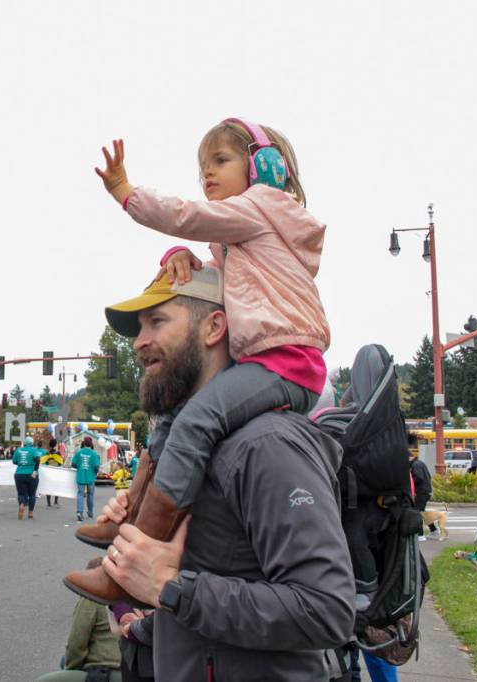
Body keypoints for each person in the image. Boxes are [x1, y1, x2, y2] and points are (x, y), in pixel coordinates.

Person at [75, 119, 329, 604]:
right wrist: (179, 256)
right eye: (202, 168)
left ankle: (135, 556)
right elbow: (223, 280)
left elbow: (186, 215)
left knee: (194, 421)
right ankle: (131, 527)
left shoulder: (260, 207)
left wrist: (127, 193)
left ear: (264, 168)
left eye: (220, 160)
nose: (207, 175)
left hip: (286, 361)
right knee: (171, 423)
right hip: (271, 359)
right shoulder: (249, 239)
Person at [65, 264, 354, 678]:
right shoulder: (193, 447)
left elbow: (327, 610)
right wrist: (146, 618)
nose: (138, 342)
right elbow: (218, 581)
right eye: (139, 327)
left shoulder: (267, 445)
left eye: (157, 322)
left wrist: (172, 588)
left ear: (215, 326)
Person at [36, 557, 122, 682]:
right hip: (132, 671)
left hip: (106, 672)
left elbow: (76, 643)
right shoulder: (129, 597)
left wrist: (71, 669)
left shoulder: (91, 599)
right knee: (64, 661)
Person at [409, 449, 437, 540]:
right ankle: (433, 530)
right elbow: (428, 476)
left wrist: (410, 484)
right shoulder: (420, 463)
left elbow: (418, 478)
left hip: (421, 492)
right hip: (425, 490)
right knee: (422, 512)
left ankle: (420, 535)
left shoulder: (415, 465)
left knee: (418, 512)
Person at [72, 437, 101, 523]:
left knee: (80, 494)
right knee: (90, 495)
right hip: (91, 477)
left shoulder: (78, 453)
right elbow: (96, 466)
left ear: (83, 443)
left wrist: (80, 466)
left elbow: (73, 464)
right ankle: (90, 513)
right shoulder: (95, 454)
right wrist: (95, 472)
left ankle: (79, 512)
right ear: (91, 444)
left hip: (80, 476)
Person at [13, 436, 41, 520]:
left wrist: (22, 463)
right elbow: (38, 459)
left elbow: (14, 461)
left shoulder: (18, 450)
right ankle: (30, 513)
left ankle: (22, 504)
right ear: (32, 443)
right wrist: (35, 470)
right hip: (31, 474)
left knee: (21, 493)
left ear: (24, 443)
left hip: (19, 474)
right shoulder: (34, 450)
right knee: (32, 494)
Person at [41, 439, 64, 508]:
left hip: (48, 471)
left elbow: (44, 462)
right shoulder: (58, 453)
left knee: (48, 487)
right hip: (57, 471)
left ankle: (48, 503)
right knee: (57, 486)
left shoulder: (47, 453)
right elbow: (61, 462)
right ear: (55, 445)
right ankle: (56, 502)